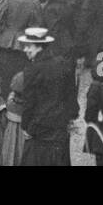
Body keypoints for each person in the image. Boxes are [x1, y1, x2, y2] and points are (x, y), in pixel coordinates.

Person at [19, 27, 76, 166]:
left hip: (39, 128)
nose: (25, 50)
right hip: (60, 126)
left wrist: (26, 126)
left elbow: (29, 102)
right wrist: (71, 117)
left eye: (28, 46)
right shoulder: (63, 64)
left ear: (39, 47)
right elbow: (71, 94)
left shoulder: (32, 70)